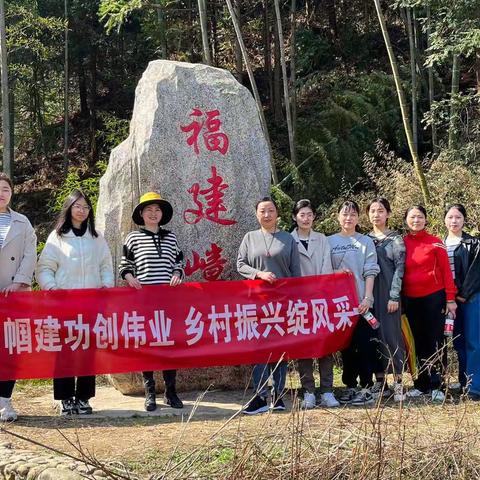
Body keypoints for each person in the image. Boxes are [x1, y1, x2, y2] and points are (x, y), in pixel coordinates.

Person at [36, 189, 114, 415]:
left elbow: (105, 265)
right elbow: (45, 268)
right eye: (77, 206)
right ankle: (65, 397)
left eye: (86, 207)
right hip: (65, 304)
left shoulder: (97, 238)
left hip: (91, 303)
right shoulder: (57, 237)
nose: (82, 211)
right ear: (69, 208)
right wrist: (52, 288)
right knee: (65, 350)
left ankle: (84, 397)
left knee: (88, 350)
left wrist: (106, 287)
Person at [119, 192, 185, 412]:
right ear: (141, 213)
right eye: (149, 210)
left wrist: (177, 273)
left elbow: (179, 261)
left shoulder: (171, 237)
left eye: (157, 210)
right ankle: (149, 393)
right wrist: (129, 277)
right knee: (147, 345)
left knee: (169, 344)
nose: (153, 213)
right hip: (143, 300)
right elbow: (124, 264)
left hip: (168, 300)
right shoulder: (132, 238)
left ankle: (170, 392)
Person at [237, 196, 301, 415]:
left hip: (282, 303)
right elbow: (240, 264)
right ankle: (260, 395)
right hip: (256, 302)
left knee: (280, 349)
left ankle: (280, 394)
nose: (267, 215)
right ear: (257, 214)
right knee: (258, 348)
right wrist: (259, 274)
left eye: (271, 211)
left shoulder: (288, 239)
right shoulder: (249, 237)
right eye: (262, 211)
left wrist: (294, 298)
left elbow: (296, 271)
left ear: (278, 214)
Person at [328, 200, 380, 406]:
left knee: (365, 345)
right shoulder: (328, 241)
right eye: (344, 214)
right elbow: (322, 269)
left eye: (353, 214)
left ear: (358, 218)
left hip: (362, 303)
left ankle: (367, 387)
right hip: (339, 305)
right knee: (346, 347)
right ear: (337, 216)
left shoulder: (365, 241)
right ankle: (349, 385)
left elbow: (370, 270)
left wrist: (367, 298)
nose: (348, 218)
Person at [403, 205, 456, 402]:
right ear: (406, 220)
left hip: (434, 298)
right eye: (412, 217)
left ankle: (437, 384)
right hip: (411, 299)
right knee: (418, 341)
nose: (416, 220)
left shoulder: (436, 243)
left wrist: (450, 298)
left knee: (435, 340)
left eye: (419, 217)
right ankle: (421, 383)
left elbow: (446, 273)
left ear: (425, 219)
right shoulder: (402, 243)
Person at [290, 199, 339, 409]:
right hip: (299, 300)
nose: (306, 218)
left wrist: (322, 290)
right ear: (294, 217)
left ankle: (327, 390)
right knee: (304, 345)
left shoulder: (322, 239)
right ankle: (308, 390)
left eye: (310, 214)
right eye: (302, 215)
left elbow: (326, 266)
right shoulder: (288, 240)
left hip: (321, 298)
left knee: (325, 344)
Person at [0, 173, 37, 422]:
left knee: (9, 349)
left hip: (12, 293)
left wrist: (19, 281)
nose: (2, 193)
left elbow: (30, 253)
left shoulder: (22, 222)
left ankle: (5, 401)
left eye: (5, 188)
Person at [367, 198, 406, 402]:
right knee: (374, 337)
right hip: (369, 294)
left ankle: (399, 381)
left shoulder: (396, 239)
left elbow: (400, 268)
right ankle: (380, 381)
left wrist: (394, 296)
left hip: (389, 293)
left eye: (380, 210)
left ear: (388, 214)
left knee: (392, 336)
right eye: (372, 211)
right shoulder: (364, 239)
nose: (376, 214)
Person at [444, 204, 480, 400]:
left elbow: (476, 272)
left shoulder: (474, 243)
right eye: (450, 217)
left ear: (464, 219)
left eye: (458, 217)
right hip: (449, 301)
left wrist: (462, 294)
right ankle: (464, 381)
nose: (454, 221)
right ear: (445, 220)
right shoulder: (439, 243)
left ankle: (475, 387)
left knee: (474, 341)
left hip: (471, 298)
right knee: (457, 342)